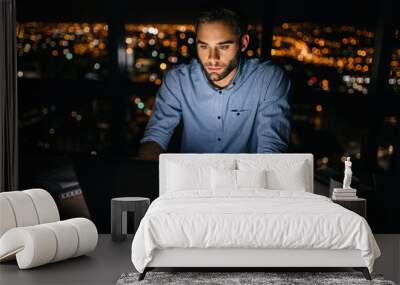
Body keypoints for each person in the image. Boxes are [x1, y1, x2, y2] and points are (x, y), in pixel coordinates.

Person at [138, 8, 291, 160]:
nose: (212, 58)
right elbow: (155, 137)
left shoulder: (267, 78)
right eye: (204, 46)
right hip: (192, 180)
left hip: (247, 179)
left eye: (223, 47)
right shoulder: (178, 79)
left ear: (243, 43)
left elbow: (273, 150)